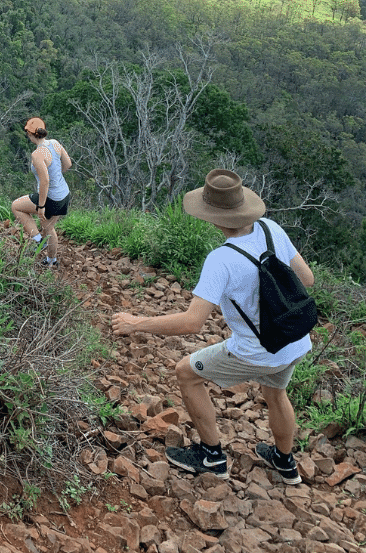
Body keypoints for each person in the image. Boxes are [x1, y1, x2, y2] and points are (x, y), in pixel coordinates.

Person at [112, 168, 314, 484]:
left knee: (186, 373)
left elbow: (192, 322)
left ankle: (212, 457)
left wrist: (137, 323)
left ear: (214, 218)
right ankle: (285, 463)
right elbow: (306, 279)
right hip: (295, 340)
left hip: (255, 350)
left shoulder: (221, 260)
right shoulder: (272, 229)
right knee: (276, 393)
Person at [11, 117, 72, 268]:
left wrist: (41, 206)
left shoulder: (37, 155)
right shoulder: (55, 143)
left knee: (16, 206)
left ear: (30, 134)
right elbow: (68, 164)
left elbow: (45, 181)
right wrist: (58, 174)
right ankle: (51, 261)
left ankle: (39, 241)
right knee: (48, 227)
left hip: (51, 199)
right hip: (64, 194)